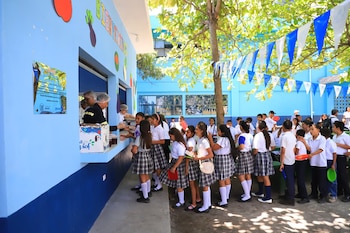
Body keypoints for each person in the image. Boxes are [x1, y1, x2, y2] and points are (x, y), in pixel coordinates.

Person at [159, 128, 189, 207]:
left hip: (178, 164)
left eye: (171, 136)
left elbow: (181, 157)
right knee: (175, 182)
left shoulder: (179, 145)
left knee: (179, 184)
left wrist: (174, 167)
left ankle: (181, 201)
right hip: (174, 162)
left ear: (175, 135)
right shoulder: (175, 143)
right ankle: (178, 196)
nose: (170, 137)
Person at [299, 123, 328, 203]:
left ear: (318, 130)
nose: (311, 131)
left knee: (322, 181)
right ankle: (314, 193)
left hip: (320, 163)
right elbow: (309, 148)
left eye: (313, 129)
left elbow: (321, 149)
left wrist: (311, 154)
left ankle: (323, 196)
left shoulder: (322, 138)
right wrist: (304, 142)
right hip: (313, 162)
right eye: (310, 129)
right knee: (314, 180)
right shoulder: (310, 139)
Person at [208, 124, 235, 207]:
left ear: (222, 132)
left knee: (221, 180)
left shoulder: (223, 139)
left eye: (218, 130)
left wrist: (210, 139)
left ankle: (223, 201)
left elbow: (214, 147)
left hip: (221, 159)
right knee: (226, 178)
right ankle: (225, 197)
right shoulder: (228, 139)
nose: (217, 132)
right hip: (227, 158)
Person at [252, 121, 276, 204]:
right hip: (267, 155)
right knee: (260, 174)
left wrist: (253, 155)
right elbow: (273, 146)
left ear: (258, 128)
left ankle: (268, 197)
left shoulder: (258, 136)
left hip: (260, 155)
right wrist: (268, 150)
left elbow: (255, 149)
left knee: (265, 176)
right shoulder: (270, 135)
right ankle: (260, 192)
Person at [194, 121, 215, 213]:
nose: (195, 131)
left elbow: (211, 154)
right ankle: (208, 203)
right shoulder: (199, 140)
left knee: (205, 185)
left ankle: (206, 206)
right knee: (206, 185)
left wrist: (199, 157)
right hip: (202, 162)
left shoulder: (204, 141)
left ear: (202, 131)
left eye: (197, 129)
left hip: (206, 163)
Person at [131, 120, 154, 203]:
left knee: (142, 176)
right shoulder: (150, 136)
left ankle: (145, 197)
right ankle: (148, 191)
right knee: (147, 175)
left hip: (141, 157)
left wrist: (133, 150)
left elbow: (134, 150)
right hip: (148, 156)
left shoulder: (139, 137)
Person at [279, 120, 296, 206]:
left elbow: (283, 150)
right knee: (289, 179)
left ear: (283, 127)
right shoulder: (292, 135)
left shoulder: (284, 136)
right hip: (291, 158)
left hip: (286, 160)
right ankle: (288, 195)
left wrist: (281, 163)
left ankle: (290, 198)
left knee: (289, 180)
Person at [236, 120, 254, 202]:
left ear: (241, 127)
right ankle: (247, 193)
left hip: (243, 155)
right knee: (248, 174)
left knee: (241, 174)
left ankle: (247, 194)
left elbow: (242, 146)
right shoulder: (250, 135)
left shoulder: (242, 136)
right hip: (249, 154)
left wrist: (237, 149)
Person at [332, 121, 350, 202]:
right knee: (337, 175)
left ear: (338, 128)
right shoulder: (334, 136)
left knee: (343, 176)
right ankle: (340, 191)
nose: (333, 128)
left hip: (342, 157)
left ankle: (347, 194)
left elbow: (349, 146)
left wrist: (339, 144)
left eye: (334, 127)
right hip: (336, 157)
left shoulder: (345, 136)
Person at [184, 126, 201, 211]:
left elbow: (189, 154)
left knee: (192, 185)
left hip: (190, 163)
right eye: (186, 132)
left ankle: (193, 203)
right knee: (195, 183)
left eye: (188, 132)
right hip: (194, 162)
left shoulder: (190, 141)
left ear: (192, 133)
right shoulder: (193, 140)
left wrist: (186, 166)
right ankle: (197, 198)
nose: (186, 133)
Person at [150, 113, 167, 192]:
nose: (151, 121)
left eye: (153, 119)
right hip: (153, 148)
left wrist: (153, 142)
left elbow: (162, 141)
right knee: (154, 167)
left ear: (157, 120)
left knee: (158, 167)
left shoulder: (160, 129)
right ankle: (156, 183)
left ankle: (160, 184)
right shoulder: (153, 127)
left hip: (157, 148)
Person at [320, 128, 337, 203]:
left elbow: (334, 153)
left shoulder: (331, 143)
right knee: (325, 179)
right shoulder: (323, 142)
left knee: (332, 179)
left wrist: (333, 164)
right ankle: (327, 193)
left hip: (330, 161)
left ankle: (333, 195)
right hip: (324, 161)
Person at [294, 129, 309, 204]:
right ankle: (300, 193)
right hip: (302, 161)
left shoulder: (299, 143)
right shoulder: (302, 142)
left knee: (300, 179)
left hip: (300, 161)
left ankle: (305, 196)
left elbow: (296, 152)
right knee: (299, 178)